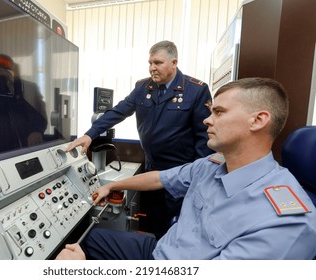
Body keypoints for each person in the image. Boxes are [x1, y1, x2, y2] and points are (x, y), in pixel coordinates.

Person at [56, 77, 316, 260]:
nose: (206, 120)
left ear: (258, 120)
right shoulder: (211, 165)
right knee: (80, 240)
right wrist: (112, 185)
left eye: (219, 112)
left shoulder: (286, 223)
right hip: (162, 251)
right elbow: (159, 178)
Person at [66, 40, 214, 238]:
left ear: (174, 63)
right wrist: (89, 134)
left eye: (158, 63)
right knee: (155, 222)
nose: (152, 68)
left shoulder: (196, 90)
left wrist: (199, 177)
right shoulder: (143, 87)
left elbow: (204, 138)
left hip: (181, 171)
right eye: (150, 63)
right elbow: (118, 111)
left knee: (178, 227)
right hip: (151, 167)